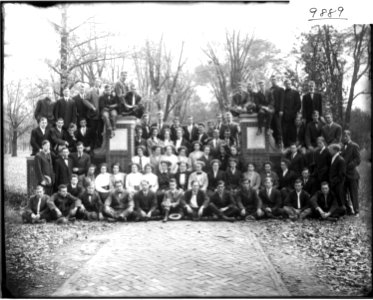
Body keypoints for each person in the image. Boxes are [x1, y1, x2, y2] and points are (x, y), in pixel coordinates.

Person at [341, 130, 361, 216]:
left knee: (353, 193)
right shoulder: (342, 147)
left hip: (352, 174)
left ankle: (356, 211)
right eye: (343, 136)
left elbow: (358, 160)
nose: (344, 137)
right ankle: (349, 210)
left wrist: (349, 166)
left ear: (349, 136)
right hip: (344, 175)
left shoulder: (354, 146)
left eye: (346, 136)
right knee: (343, 192)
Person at [329, 143, 348, 211]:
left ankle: (344, 211)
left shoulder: (340, 160)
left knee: (340, 197)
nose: (329, 151)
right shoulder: (333, 158)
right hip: (334, 182)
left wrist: (333, 181)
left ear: (335, 150)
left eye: (330, 150)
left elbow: (342, 174)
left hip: (338, 183)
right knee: (336, 197)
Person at [282, 79, 301, 148]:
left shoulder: (295, 93)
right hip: (284, 116)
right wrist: (285, 113)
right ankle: (285, 146)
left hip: (293, 116)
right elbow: (281, 104)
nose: (288, 85)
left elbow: (298, 104)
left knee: (293, 132)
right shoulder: (283, 93)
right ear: (284, 85)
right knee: (284, 132)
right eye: (286, 84)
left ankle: (293, 147)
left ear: (291, 84)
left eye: (289, 83)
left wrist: (293, 113)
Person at [84, 79, 102, 148]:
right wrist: (92, 107)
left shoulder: (102, 91)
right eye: (97, 82)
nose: (98, 83)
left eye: (99, 82)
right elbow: (85, 100)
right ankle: (92, 146)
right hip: (93, 115)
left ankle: (99, 145)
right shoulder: (90, 91)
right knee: (93, 131)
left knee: (100, 131)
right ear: (94, 82)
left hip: (100, 116)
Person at [268, 75, 285, 149]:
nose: (273, 81)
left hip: (277, 110)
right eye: (272, 80)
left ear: (276, 80)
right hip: (270, 110)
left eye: (274, 80)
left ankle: (279, 142)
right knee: (271, 125)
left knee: (278, 126)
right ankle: (273, 142)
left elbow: (282, 100)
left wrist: (281, 109)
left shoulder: (280, 89)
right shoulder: (269, 90)